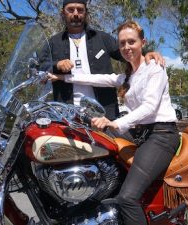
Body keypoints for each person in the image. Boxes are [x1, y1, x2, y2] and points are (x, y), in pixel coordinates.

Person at [48, 20, 180, 225]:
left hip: (161, 134)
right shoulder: (130, 75)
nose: (127, 47)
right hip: (140, 133)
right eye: (122, 43)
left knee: (127, 198)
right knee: (94, 138)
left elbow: (150, 107)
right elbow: (99, 78)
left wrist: (115, 123)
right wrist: (61, 78)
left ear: (142, 42)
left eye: (131, 41)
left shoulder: (155, 68)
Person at [46, 0, 165, 120]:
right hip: (68, 115)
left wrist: (147, 54)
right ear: (63, 13)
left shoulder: (102, 38)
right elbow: (38, 65)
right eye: (71, 9)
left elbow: (127, 53)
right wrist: (57, 64)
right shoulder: (53, 42)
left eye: (80, 10)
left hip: (104, 115)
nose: (76, 14)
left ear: (86, 13)